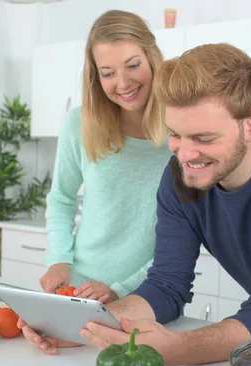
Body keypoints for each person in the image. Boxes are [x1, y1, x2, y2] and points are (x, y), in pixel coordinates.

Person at [21, 43, 251, 365]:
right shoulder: (181, 178)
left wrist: (178, 348)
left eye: (204, 137)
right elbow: (166, 285)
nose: (187, 153)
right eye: (176, 135)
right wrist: (78, 326)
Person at [38, 10, 171, 304]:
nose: (122, 83)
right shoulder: (80, 124)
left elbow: (182, 238)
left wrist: (120, 290)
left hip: (148, 293)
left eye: (132, 65)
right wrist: (58, 259)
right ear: (96, 77)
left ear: (152, 59)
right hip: (78, 289)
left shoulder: (181, 135)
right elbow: (61, 198)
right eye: (108, 73)